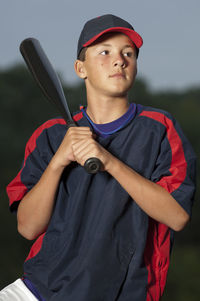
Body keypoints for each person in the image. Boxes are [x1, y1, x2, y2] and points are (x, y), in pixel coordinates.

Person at [2, 14, 196, 301]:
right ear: (81, 68)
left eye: (128, 53)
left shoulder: (159, 128)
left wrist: (109, 161)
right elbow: (28, 227)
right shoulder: (50, 136)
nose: (119, 60)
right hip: (37, 290)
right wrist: (59, 161)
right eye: (104, 52)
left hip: (120, 293)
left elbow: (176, 216)